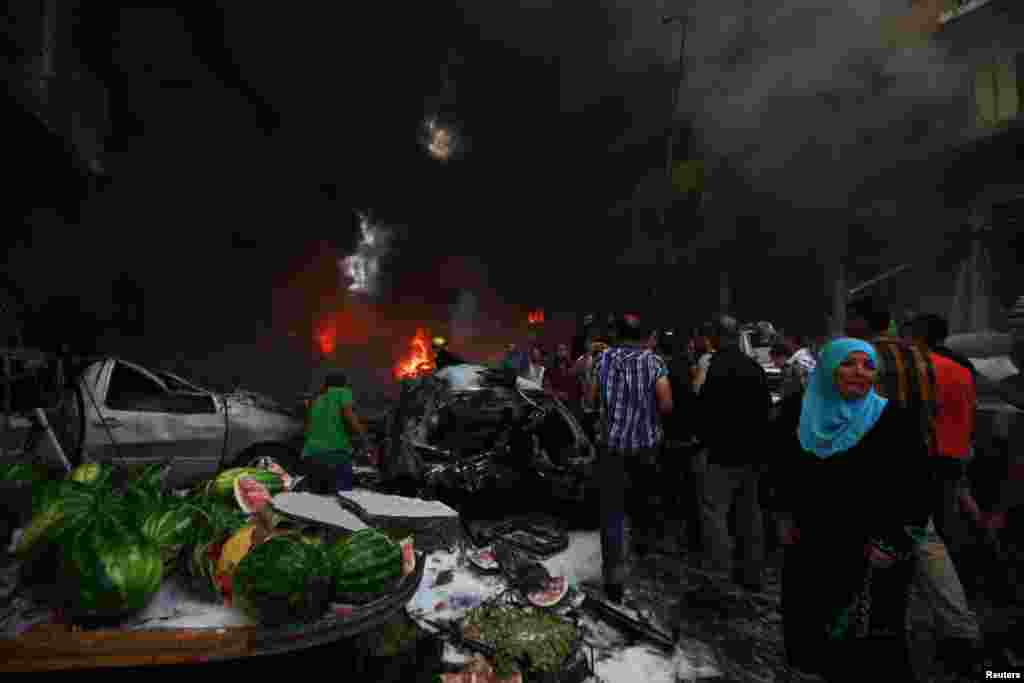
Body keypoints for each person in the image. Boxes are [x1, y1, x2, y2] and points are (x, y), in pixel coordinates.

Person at [773, 338, 929, 681]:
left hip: (871, 548)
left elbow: (917, 486)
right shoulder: (795, 411)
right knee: (808, 629)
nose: (860, 373)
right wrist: (782, 514)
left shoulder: (894, 419)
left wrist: (895, 540)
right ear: (828, 367)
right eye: (849, 363)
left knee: (865, 640)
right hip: (810, 541)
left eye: (868, 366)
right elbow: (778, 469)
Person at [846, 297, 983, 672]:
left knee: (880, 551)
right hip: (931, 463)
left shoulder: (862, 358)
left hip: (885, 468)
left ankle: (872, 638)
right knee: (929, 544)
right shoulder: (935, 362)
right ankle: (960, 630)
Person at [590, 314, 673, 604]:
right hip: (644, 448)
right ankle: (643, 567)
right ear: (642, 336)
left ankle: (613, 580)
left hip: (611, 447)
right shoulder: (653, 362)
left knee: (611, 512)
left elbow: (592, 399)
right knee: (643, 505)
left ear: (618, 334)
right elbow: (665, 404)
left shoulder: (603, 360)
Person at [695, 314, 773, 591]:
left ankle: (720, 577)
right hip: (750, 456)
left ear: (716, 337)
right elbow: (766, 412)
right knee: (750, 516)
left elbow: (703, 411)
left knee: (715, 515)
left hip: (720, 455)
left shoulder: (714, 368)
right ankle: (752, 575)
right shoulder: (754, 368)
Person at [302, 371, 367, 494]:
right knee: (343, 496)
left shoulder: (316, 398)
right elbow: (349, 415)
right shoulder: (342, 392)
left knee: (317, 499)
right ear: (342, 384)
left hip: (311, 454)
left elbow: (309, 426)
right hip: (336, 454)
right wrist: (364, 437)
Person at [545, 342, 579, 407]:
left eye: (564, 350)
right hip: (555, 401)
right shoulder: (550, 367)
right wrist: (557, 394)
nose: (562, 352)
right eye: (560, 350)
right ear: (556, 352)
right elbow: (547, 386)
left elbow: (575, 384)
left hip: (570, 401)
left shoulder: (571, 366)